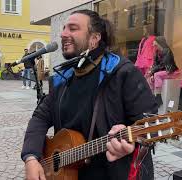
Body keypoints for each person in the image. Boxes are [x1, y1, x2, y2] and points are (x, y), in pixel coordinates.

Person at [21, 9, 157, 180]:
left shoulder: (123, 73)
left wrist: (131, 139)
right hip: (66, 173)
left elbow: (148, 121)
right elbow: (40, 117)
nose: (63, 34)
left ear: (94, 38)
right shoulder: (63, 78)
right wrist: (31, 157)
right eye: (64, 28)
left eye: (73, 28)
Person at [146, 36, 179, 106]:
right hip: (163, 72)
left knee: (157, 75)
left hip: (171, 72)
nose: (154, 47)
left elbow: (163, 65)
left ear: (159, 43)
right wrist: (151, 73)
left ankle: (158, 97)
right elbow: (155, 65)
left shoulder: (167, 51)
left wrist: (153, 72)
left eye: (155, 45)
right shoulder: (157, 53)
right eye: (154, 45)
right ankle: (152, 97)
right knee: (150, 79)